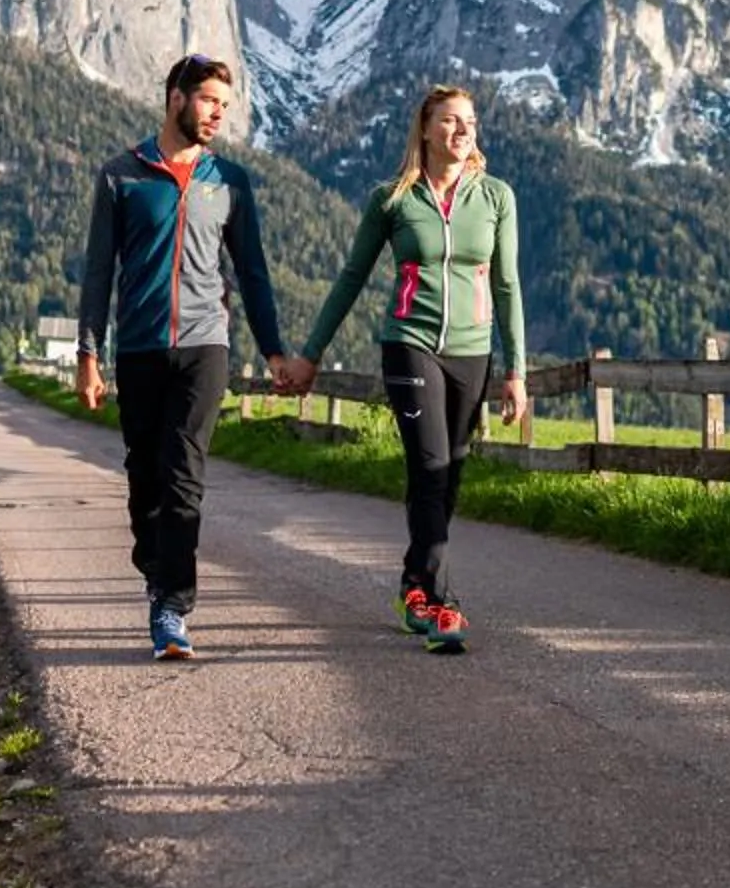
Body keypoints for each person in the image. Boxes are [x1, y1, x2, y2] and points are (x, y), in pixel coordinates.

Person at [77, 53, 311, 660]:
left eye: (224, 107)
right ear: (175, 98)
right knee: (143, 479)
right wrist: (88, 354)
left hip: (207, 346)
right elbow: (99, 273)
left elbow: (252, 273)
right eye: (208, 100)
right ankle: (157, 566)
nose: (216, 114)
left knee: (183, 476)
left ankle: (172, 605)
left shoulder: (229, 180)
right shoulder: (120, 176)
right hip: (140, 347)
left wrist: (273, 350)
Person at [284, 84, 525, 653]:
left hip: (472, 351)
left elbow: (508, 285)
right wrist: (311, 354)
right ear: (424, 130)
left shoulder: (496, 197)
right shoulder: (392, 199)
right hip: (409, 343)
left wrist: (516, 369)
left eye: (469, 121)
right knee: (431, 462)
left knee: (449, 474)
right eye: (448, 121)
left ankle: (414, 584)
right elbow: (350, 279)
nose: (461, 131)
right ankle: (442, 606)